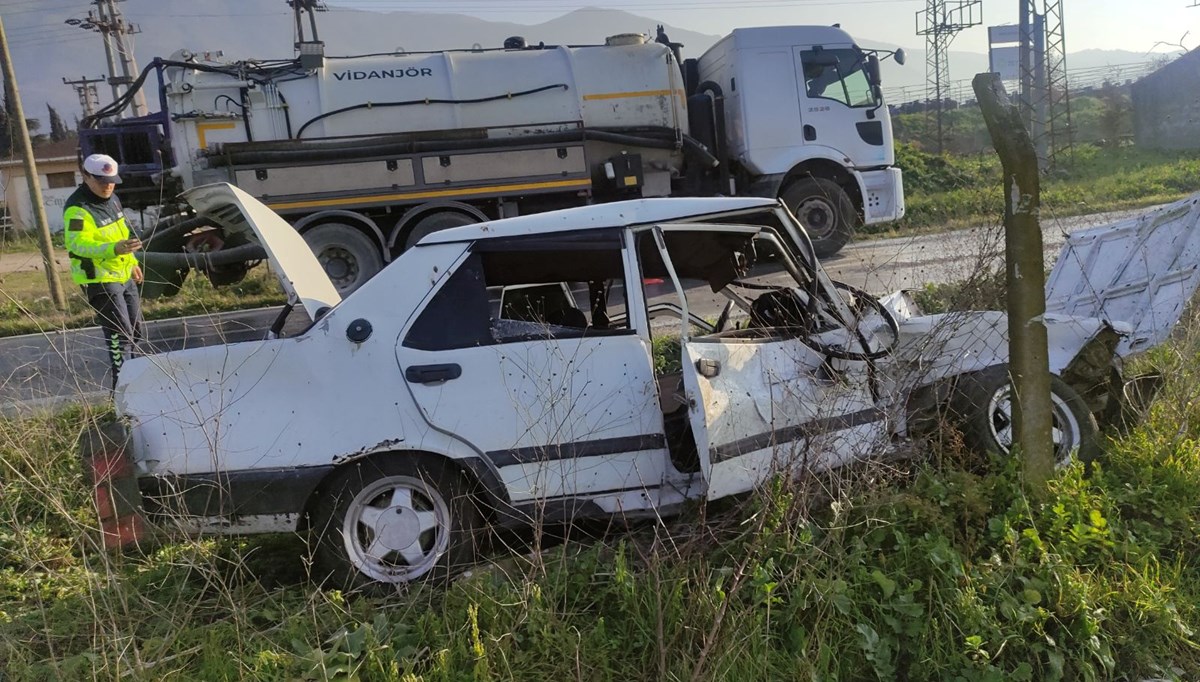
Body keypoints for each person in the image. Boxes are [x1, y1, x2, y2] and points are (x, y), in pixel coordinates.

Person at [63, 153, 144, 392]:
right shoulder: (77, 209)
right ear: (86, 177)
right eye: (101, 181)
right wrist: (113, 249)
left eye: (112, 181)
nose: (108, 186)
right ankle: (121, 393)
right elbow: (77, 245)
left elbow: (122, 235)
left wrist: (131, 262)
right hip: (99, 278)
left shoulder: (113, 199)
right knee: (119, 335)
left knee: (136, 330)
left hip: (123, 274)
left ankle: (138, 385)